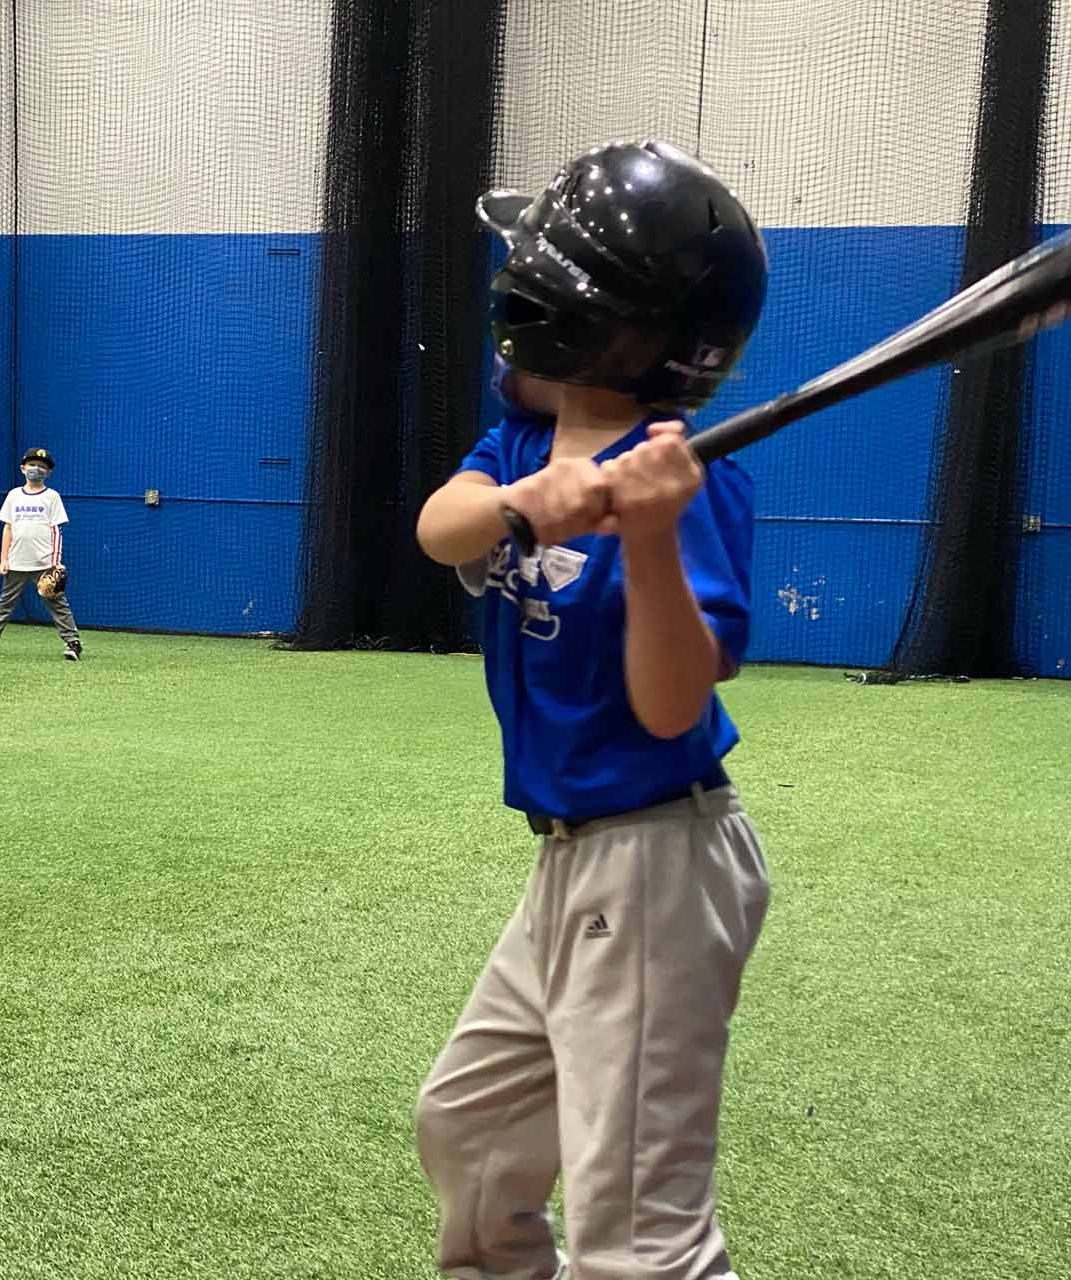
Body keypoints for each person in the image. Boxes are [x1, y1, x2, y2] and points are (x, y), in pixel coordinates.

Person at [411, 140, 771, 1280]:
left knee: (636, 1224)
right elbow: (441, 528)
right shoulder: (520, 436)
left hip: (659, 856)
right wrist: (526, 504)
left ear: (587, 316)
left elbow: (671, 706)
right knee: (470, 1125)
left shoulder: (688, 483)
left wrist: (648, 535)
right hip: (569, 860)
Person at [0, 447, 83, 660]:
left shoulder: (51, 497)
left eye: (42, 467)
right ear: (23, 468)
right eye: (32, 465)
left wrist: (55, 562)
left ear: (48, 473)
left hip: (44, 563)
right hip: (16, 561)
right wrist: (4, 558)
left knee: (57, 603)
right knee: (5, 602)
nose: (36, 469)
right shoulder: (14, 495)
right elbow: (8, 528)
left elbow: (56, 529)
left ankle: (72, 642)